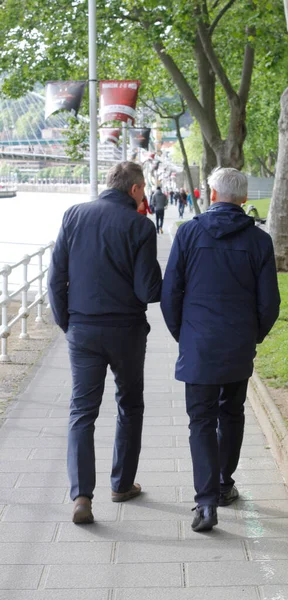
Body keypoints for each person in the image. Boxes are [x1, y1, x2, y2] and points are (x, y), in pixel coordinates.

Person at [161, 167, 280, 533]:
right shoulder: (259, 242)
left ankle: (206, 501)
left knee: (200, 421)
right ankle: (225, 482)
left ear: (212, 195)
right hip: (237, 344)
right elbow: (269, 302)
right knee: (231, 414)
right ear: (244, 199)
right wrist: (253, 336)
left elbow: (170, 295)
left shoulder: (189, 233)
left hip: (199, 344)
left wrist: (184, 335)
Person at [48, 161, 162, 525]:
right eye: (143, 189)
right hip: (126, 331)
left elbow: (55, 278)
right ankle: (122, 484)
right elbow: (148, 289)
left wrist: (67, 322)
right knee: (130, 404)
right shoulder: (140, 226)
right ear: (134, 190)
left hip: (82, 328)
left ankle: (82, 495)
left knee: (82, 412)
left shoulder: (73, 215)